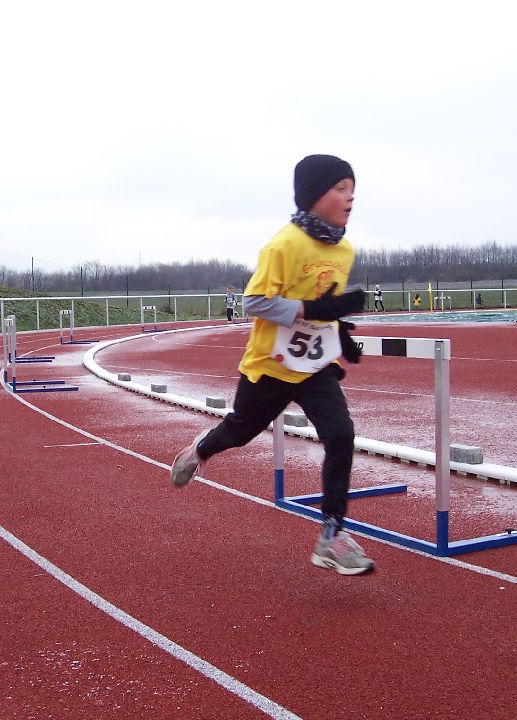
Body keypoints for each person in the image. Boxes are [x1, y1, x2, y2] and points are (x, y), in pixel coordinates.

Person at [170, 154, 374, 576]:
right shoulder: (284, 245)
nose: (350, 197)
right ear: (314, 194)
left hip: (313, 365)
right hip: (270, 365)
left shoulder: (345, 249)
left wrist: (340, 333)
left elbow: (324, 305)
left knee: (341, 435)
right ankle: (200, 450)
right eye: (340, 188)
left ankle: (331, 535)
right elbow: (255, 302)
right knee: (240, 431)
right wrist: (315, 309)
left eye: (353, 188)